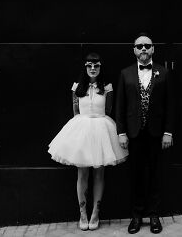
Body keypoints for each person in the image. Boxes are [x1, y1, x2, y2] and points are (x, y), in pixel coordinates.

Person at [48, 53, 128, 231]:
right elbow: (75, 110)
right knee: (82, 173)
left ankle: (95, 213)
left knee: (99, 173)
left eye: (96, 65)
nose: (93, 68)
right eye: (89, 65)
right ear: (85, 67)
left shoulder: (107, 87)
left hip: (101, 129)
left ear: (100, 67)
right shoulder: (77, 87)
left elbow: (108, 110)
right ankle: (82, 213)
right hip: (82, 130)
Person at [116, 33, 175, 234]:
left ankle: (154, 215)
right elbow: (120, 106)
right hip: (133, 134)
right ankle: (136, 216)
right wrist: (121, 132)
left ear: (152, 49)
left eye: (147, 46)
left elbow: (170, 106)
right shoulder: (125, 74)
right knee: (136, 176)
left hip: (156, 134)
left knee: (155, 175)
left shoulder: (164, 73)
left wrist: (168, 131)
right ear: (134, 50)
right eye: (139, 46)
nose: (143, 49)